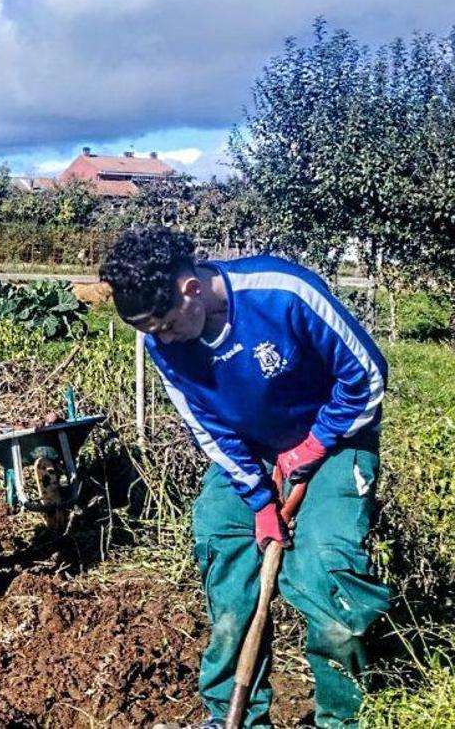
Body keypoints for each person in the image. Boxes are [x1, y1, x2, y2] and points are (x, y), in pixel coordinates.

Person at [99, 226, 390, 729]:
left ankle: (343, 717)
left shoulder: (282, 292)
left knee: (325, 570)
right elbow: (208, 429)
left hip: (337, 440)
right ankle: (232, 714)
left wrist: (313, 446)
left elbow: (367, 378)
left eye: (165, 325)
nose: (161, 340)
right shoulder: (160, 344)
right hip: (254, 453)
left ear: (190, 290)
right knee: (220, 536)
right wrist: (259, 503)